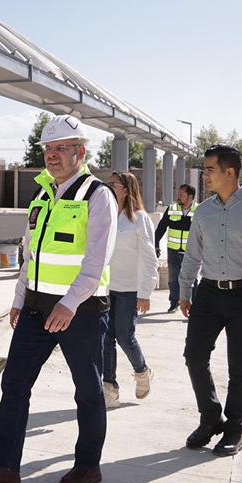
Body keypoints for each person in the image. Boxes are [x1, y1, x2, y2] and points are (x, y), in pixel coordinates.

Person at [0, 115, 117, 483]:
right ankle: (5, 470)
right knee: (14, 384)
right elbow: (29, 255)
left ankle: (88, 466)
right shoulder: (42, 195)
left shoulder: (98, 196)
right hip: (35, 309)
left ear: (81, 152)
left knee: (87, 389)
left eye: (61, 148)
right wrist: (18, 299)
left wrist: (67, 304)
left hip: (79, 311)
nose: (52, 155)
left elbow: (96, 262)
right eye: (48, 149)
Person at [180, 145, 242, 457]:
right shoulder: (204, 211)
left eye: (210, 169)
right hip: (208, 294)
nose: (205, 175)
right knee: (194, 356)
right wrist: (184, 291)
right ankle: (211, 418)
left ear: (230, 172)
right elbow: (193, 253)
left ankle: (234, 428)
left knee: (240, 367)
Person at [102, 171, 158, 409]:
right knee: (106, 338)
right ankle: (109, 388)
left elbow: (149, 256)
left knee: (125, 336)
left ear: (125, 188)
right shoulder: (107, 216)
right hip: (105, 287)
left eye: (113, 184)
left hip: (129, 289)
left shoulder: (140, 219)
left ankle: (142, 371)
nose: (109, 187)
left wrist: (145, 292)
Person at [154, 184, 198, 312]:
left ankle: (195, 306)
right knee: (173, 278)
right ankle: (174, 302)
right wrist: (156, 244)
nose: (178, 197)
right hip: (173, 250)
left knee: (192, 278)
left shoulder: (199, 210)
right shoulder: (172, 208)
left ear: (190, 196)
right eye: (178, 194)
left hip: (191, 251)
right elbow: (161, 228)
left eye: (181, 194)